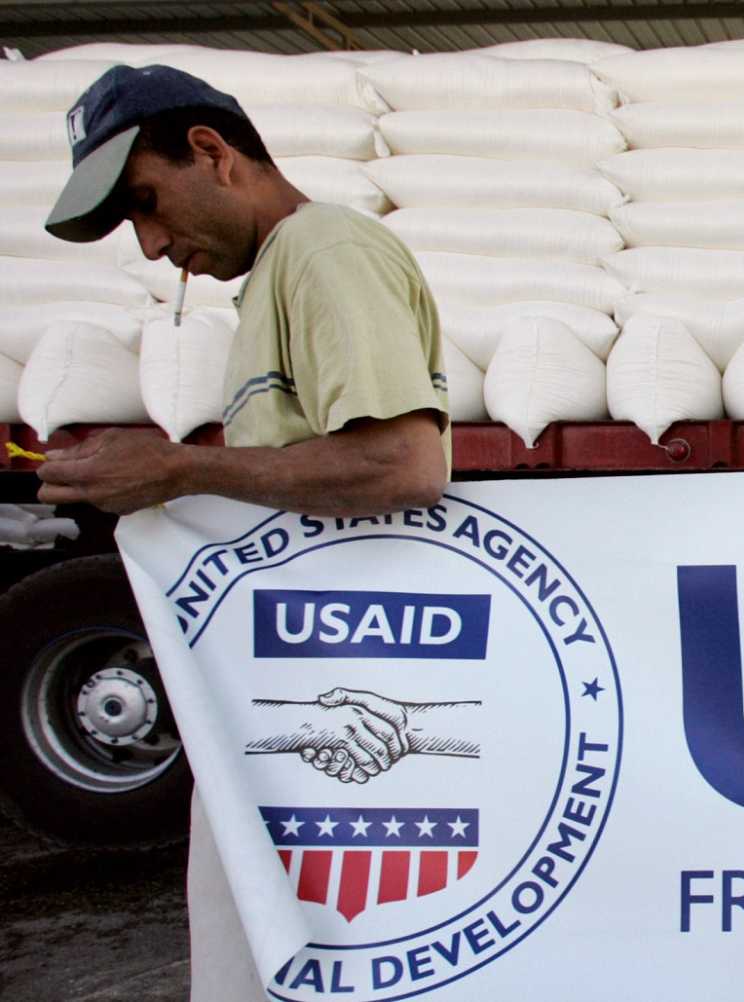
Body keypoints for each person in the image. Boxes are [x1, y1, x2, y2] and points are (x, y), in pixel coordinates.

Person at [37, 64, 451, 1001]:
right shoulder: (277, 276)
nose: (149, 244)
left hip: (342, 708)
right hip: (296, 711)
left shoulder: (322, 251)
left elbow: (403, 466)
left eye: (145, 202)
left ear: (212, 153)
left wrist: (179, 470)